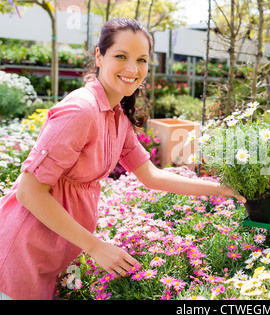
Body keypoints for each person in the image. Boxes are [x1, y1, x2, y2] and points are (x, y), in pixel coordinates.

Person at [0, 18, 245, 300]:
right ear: (99, 56)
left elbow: (151, 176)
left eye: (141, 59)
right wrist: (96, 246)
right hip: (20, 251)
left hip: (52, 252)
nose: (132, 69)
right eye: (120, 56)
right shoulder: (81, 110)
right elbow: (29, 191)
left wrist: (220, 189)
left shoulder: (116, 116)